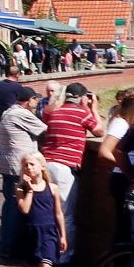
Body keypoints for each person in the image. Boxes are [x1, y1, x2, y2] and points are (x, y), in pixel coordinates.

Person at [37, 84, 101, 248]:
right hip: (65, 167)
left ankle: (45, 249)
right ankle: (64, 256)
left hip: (47, 164)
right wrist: (93, 108)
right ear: (81, 97)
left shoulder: (53, 112)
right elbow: (99, 132)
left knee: (48, 210)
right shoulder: (82, 113)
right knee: (65, 214)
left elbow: (45, 114)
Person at [0, 90, 48, 263]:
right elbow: (44, 129)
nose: (37, 103)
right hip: (18, 167)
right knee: (15, 205)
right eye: (36, 100)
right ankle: (9, 247)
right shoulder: (21, 114)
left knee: (9, 204)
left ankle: (7, 245)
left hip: (8, 165)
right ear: (30, 100)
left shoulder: (8, 112)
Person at [14, 151, 65, 267]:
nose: (29, 168)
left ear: (42, 166)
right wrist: (29, 190)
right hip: (31, 232)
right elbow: (25, 209)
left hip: (49, 232)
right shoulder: (20, 188)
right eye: (26, 165)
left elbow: (58, 213)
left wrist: (63, 235)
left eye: (32, 164)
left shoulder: (52, 188)